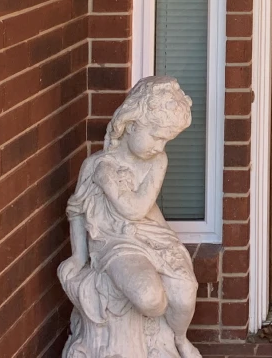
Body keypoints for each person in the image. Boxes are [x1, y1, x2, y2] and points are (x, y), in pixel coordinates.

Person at [59, 76, 200, 358]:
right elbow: (76, 210)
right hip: (116, 242)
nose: (160, 147)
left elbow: (136, 209)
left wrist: (110, 186)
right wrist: (79, 256)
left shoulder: (157, 162)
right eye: (156, 136)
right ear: (132, 123)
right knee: (152, 300)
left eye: (166, 140)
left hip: (155, 236)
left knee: (185, 296)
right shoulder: (95, 165)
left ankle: (179, 338)